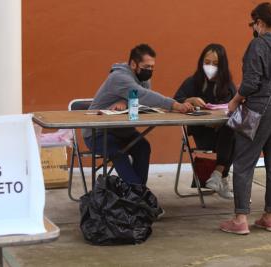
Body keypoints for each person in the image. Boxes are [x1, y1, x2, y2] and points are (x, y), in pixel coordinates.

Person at [221, 2, 271, 235]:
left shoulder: (257, 45)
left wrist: (235, 101)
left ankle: (240, 219)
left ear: (260, 23)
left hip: (259, 108)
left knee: (244, 161)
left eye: (253, 23)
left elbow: (250, 83)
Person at [83, 44, 194, 186]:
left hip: (123, 131)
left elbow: (142, 100)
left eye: (152, 67)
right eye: (146, 66)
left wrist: (125, 100)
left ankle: (137, 193)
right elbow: (143, 95)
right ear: (133, 64)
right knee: (118, 152)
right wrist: (176, 105)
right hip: (98, 133)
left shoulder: (143, 78)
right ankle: (138, 193)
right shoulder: (119, 77)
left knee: (143, 147)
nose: (149, 71)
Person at [174, 44, 237, 199]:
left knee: (236, 131)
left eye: (215, 64)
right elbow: (175, 101)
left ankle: (217, 175)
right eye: (207, 62)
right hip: (202, 133)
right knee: (235, 136)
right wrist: (190, 100)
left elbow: (235, 108)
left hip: (223, 132)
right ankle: (220, 176)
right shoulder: (193, 81)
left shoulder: (227, 85)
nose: (210, 66)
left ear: (222, 66)